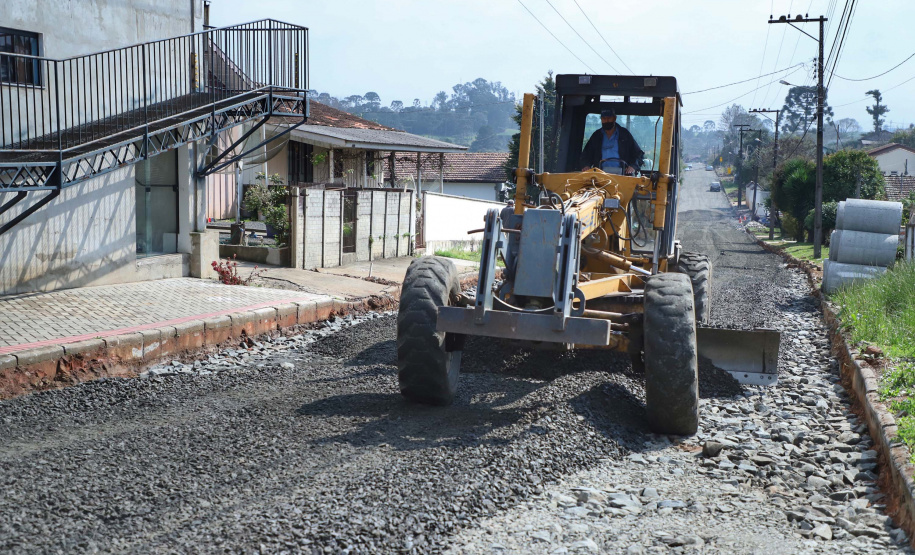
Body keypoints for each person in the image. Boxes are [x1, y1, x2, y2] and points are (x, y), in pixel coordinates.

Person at [579, 108, 645, 175]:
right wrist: (586, 165)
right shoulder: (596, 136)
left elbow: (638, 154)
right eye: (604, 118)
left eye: (609, 118)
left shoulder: (624, 135)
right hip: (600, 174)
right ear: (601, 119)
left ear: (614, 118)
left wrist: (633, 166)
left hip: (622, 175)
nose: (606, 121)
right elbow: (586, 155)